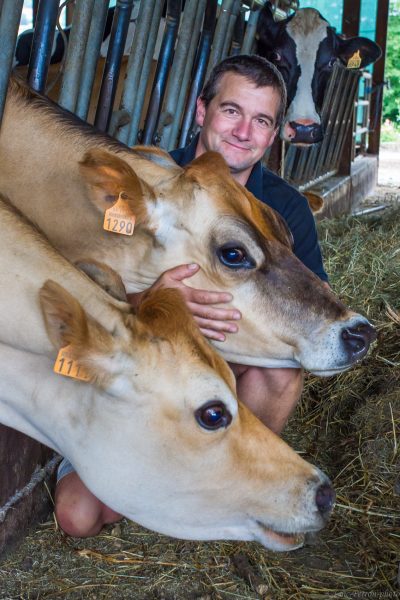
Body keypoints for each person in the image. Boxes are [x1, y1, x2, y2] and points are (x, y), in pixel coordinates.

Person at [55, 54, 328, 538]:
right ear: (200, 111)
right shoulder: (140, 188)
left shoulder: (285, 209)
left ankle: (235, 483)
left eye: (261, 120)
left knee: (281, 372)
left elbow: (310, 312)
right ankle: (163, 479)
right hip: (149, 370)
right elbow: (87, 287)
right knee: (78, 517)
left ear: (273, 133)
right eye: (231, 111)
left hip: (233, 367)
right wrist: (151, 300)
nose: (244, 131)